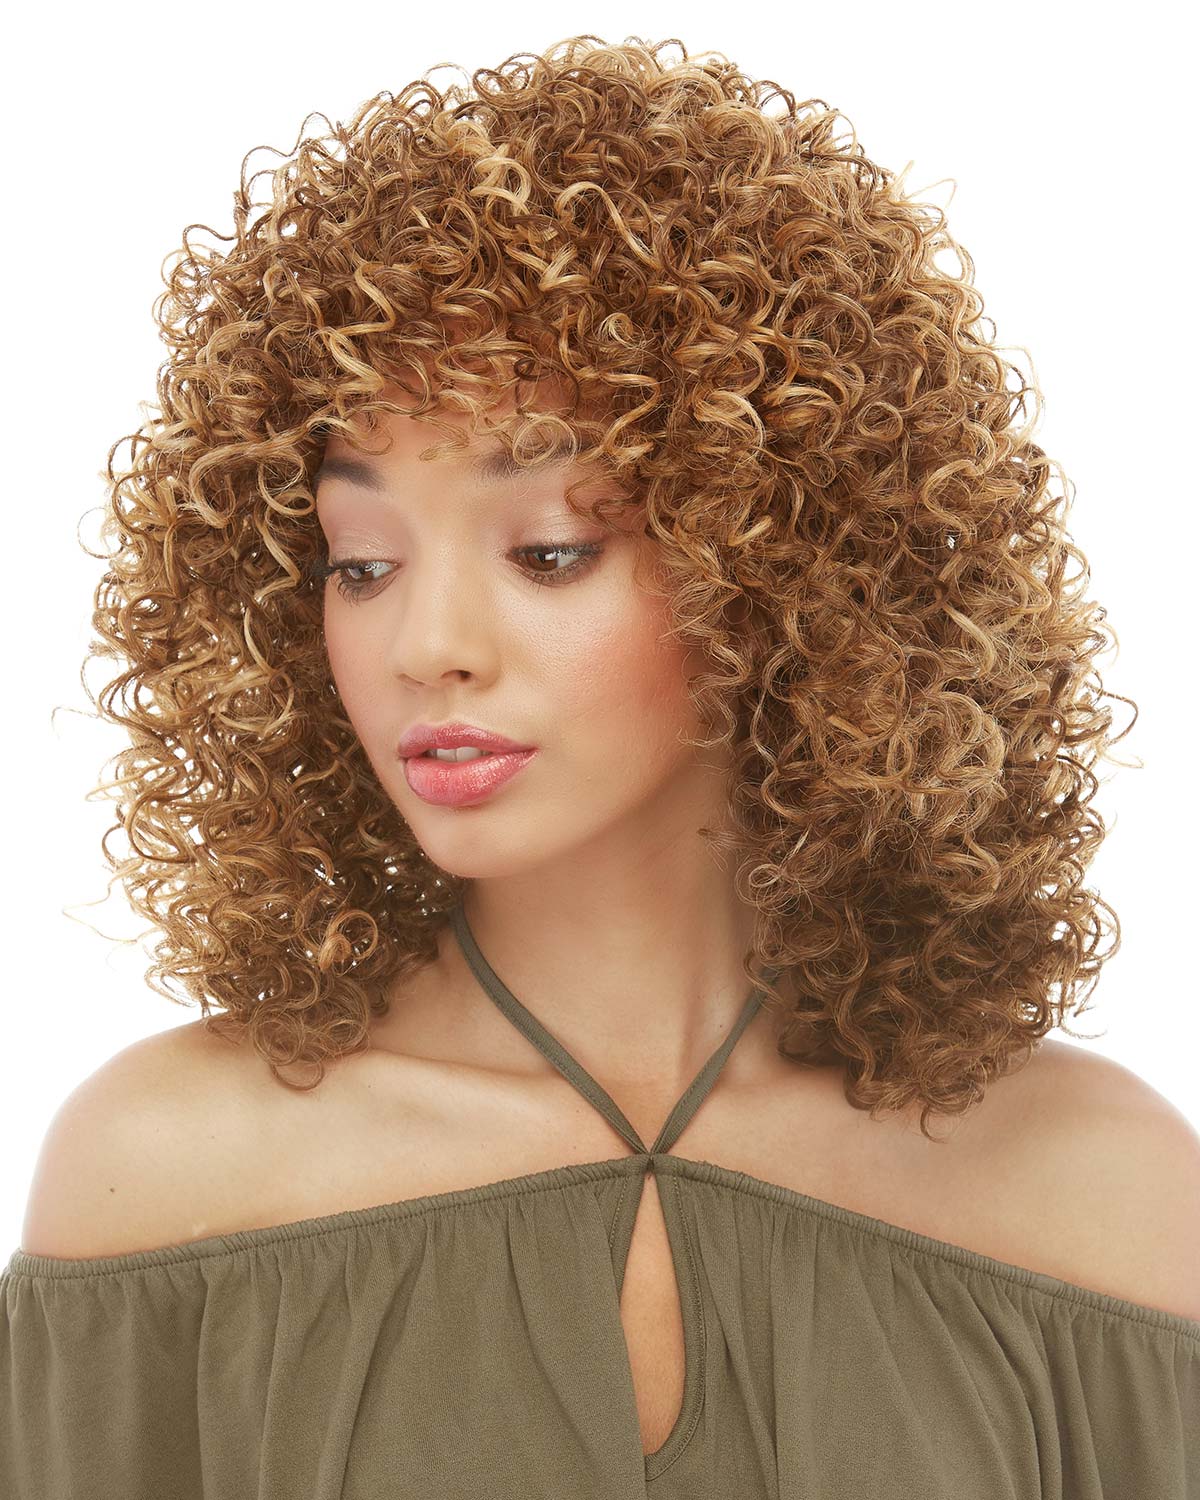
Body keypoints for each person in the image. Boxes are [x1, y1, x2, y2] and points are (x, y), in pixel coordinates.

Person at [3, 33, 1197, 1499]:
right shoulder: (165, 1182)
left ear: (786, 567)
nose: (428, 646)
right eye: (360, 562)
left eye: (551, 550)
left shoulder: (1102, 1200)